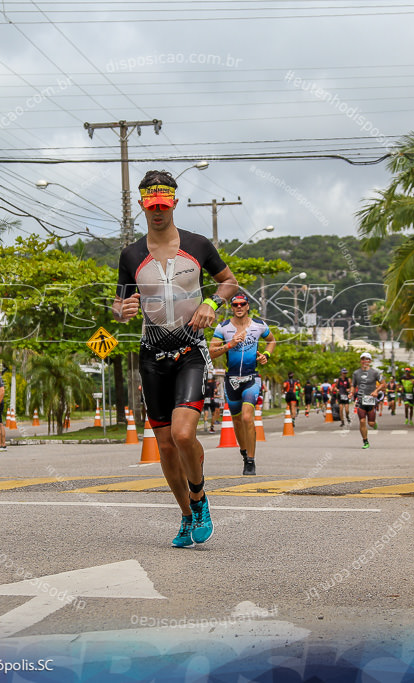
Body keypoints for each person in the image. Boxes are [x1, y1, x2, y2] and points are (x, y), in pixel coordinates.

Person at [111, 169, 238, 548]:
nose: (158, 212)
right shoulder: (131, 254)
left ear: (175, 203)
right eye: (151, 206)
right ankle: (186, 515)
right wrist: (123, 309)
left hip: (191, 353)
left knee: (184, 434)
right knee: (164, 444)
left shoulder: (198, 245)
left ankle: (199, 496)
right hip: (151, 356)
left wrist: (213, 303)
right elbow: (118, 305)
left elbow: (229, 282)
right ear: (141, 206)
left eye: (164, 205)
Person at [210, 292, 276, 476]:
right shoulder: (223, 327)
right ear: (232, 308)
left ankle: (251, 461)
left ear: (248, 306)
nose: (239, 307)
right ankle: (244, 453)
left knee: (248, 417)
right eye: (235, 305)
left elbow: (271, 341)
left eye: (242, 304)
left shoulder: (258, 325)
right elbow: (212, 351)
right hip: (231, 380)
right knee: (237, 421)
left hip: (251, 378)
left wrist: (266, 355)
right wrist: (229, 344)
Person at [350, 353, 384, 449]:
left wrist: (376, 391)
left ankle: (374, 423)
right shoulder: (356, 373)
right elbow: (353, 385)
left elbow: (383, 384)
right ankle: (365, 441)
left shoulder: (375, 372)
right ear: (361, 361)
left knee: (371, 424)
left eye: (367, 359)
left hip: (371, 400)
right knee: (362, 420)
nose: (365, 361)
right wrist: (351, 393)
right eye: (363, 359)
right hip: (361, 399)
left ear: (370, 361)